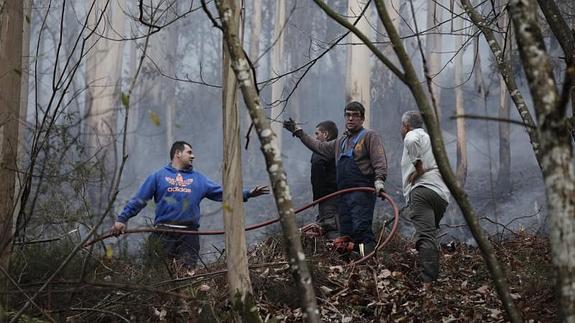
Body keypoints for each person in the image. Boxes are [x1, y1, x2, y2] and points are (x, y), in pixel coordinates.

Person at [111, 141, 269, 269]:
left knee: (187, 275)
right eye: (189, 152)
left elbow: (223, 193)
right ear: (177, 153)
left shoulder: (199, 179)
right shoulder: (158, 176)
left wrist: (247, 193)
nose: (193, 156)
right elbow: (139, 199)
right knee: (157, 273)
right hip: (162, 233)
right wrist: (122, 218)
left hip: (189, 236)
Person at [284, 101, 387, 256]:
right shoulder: (341, 142)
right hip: (343, 196)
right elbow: (319, 147)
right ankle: (350, 266)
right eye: (348, 115)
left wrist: (379, 180)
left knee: (361, 231)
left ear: (362, 118)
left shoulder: (369, 136)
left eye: (355, 115)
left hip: (361, 194)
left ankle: (366, 263)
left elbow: (379, 160)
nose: (351, 118)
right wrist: (299, 133)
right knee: (345, 234)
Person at [399, 111, 450, 286]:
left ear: (406, 126)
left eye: (401, 126)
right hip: (440, 195)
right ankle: (433, 276)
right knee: (430, 234)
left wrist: (418, 168)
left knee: (426, 236)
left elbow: (411, 140)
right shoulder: (430, 139)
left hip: (422, 191)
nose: (401, 130)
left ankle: (428, 282)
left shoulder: (412, 135)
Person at [310, 121, 339, 239]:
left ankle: (339, 255)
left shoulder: (320, 152)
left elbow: (317, 177)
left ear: (325, 135)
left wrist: (318, 197)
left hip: (327, 198)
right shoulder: (339, 148)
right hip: (341, 196)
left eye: (317, 134)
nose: (314, 137)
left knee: (331, 228)